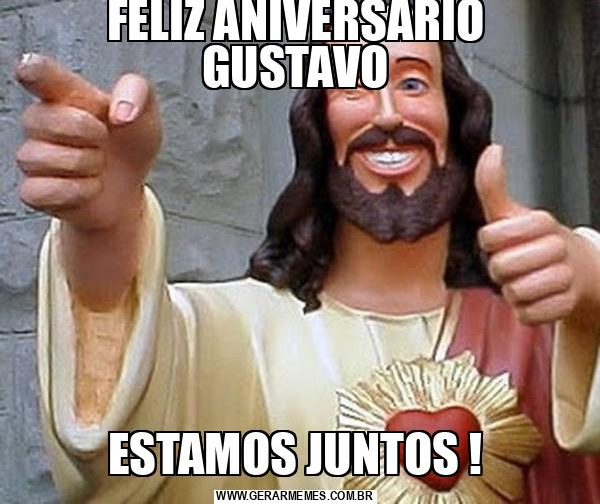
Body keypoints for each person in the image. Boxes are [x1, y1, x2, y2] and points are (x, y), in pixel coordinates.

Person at [14, 38, 600, 503]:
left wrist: (593, 293)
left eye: (413, 83)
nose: (387, 113)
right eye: (356, 86)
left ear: (457, 120)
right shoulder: (238, 333)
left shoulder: (546, 340)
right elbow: (122, 445)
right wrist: (105, 230)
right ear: (318, 127)